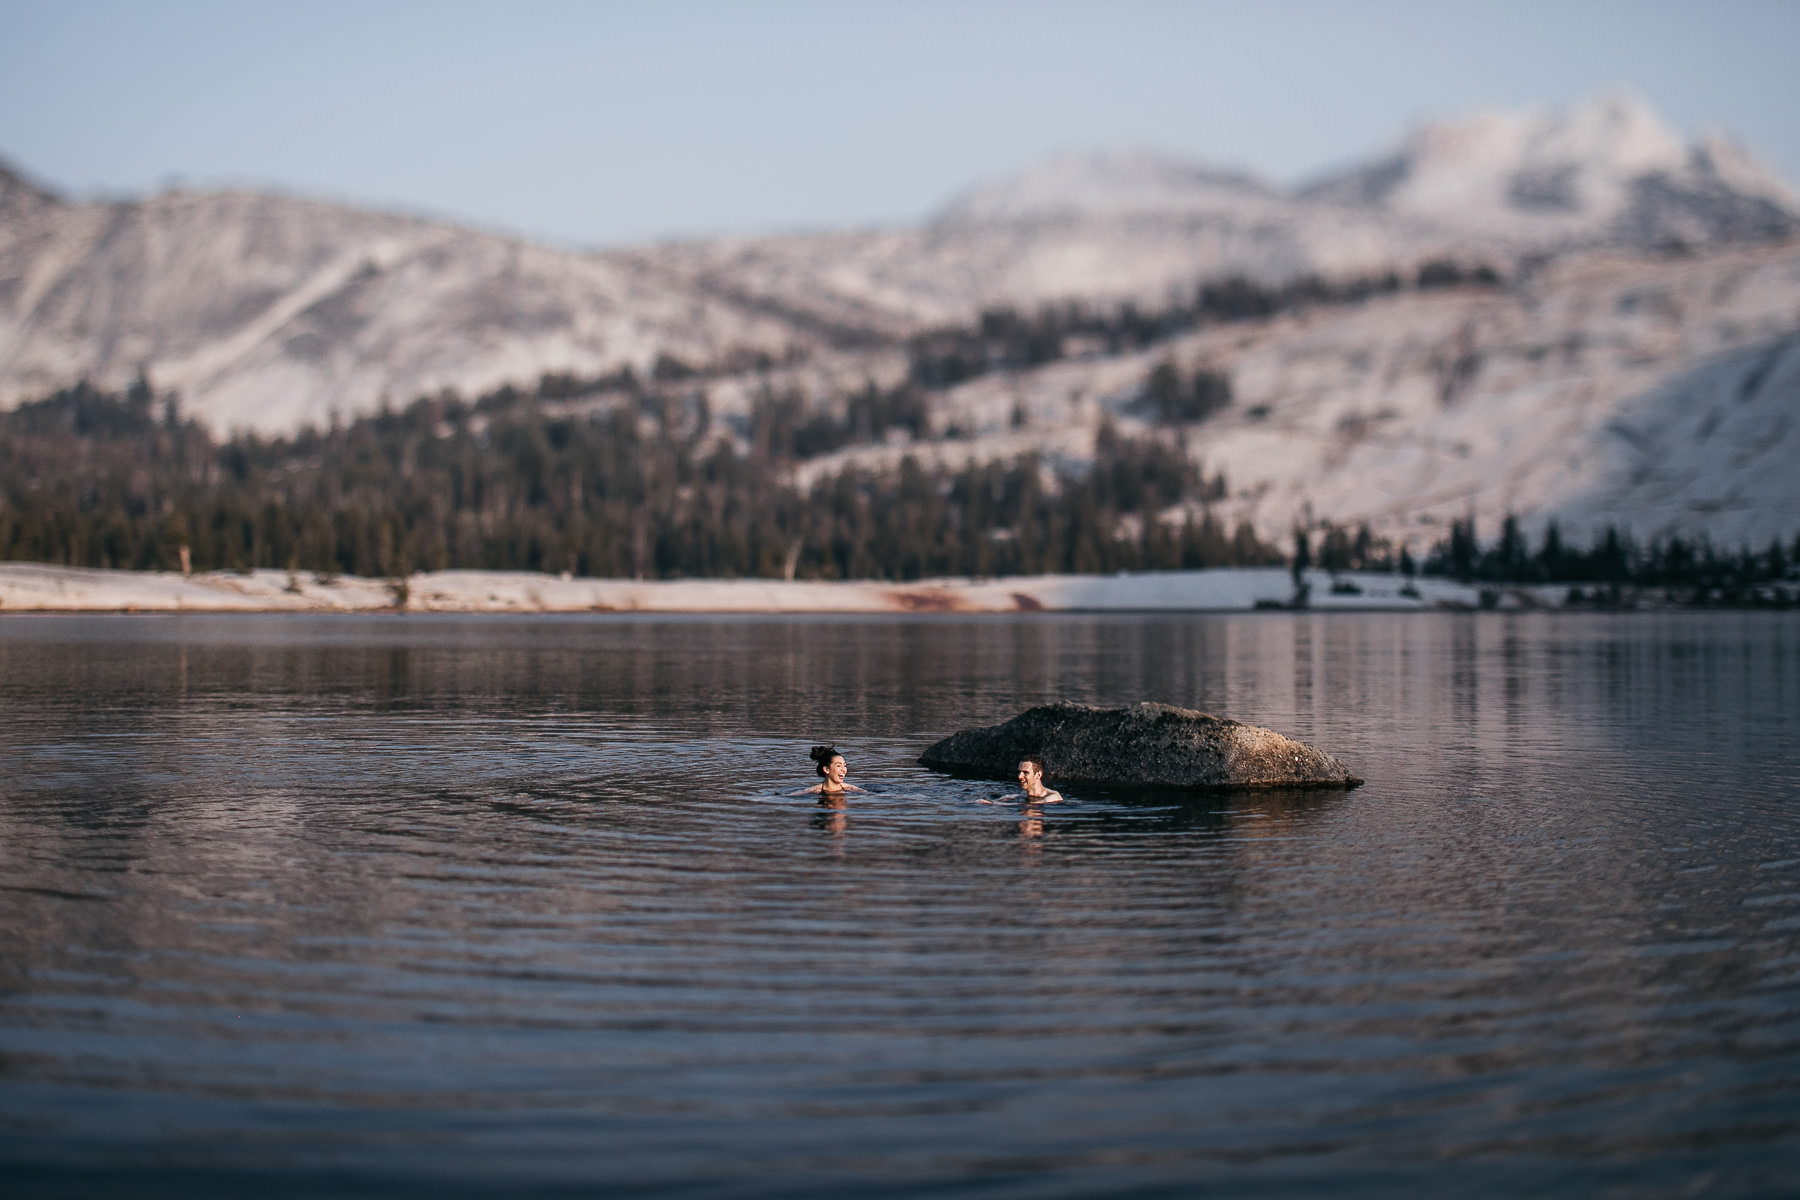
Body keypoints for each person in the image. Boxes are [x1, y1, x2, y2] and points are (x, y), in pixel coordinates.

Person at [799, 745, 864, 796]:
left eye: (844, 766)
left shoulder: (851, 789)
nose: (843, 770)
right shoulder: (813, 791)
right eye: (838, 766)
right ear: (826, 769)